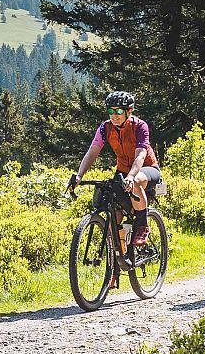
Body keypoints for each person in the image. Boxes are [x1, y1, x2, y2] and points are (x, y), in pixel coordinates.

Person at [67, 91, 162, 246]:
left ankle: (142, 226)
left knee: (136, 180)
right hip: (122, 171)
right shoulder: (105, 128)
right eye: (111, 111)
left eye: (118, 111)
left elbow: (140, 155)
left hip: (146, 168)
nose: (114, 115)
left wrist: (131, 176)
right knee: (113, 215)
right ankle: (118, 259)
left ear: (129, 111)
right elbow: (92, 152)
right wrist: (79, 176)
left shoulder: (139, 126)